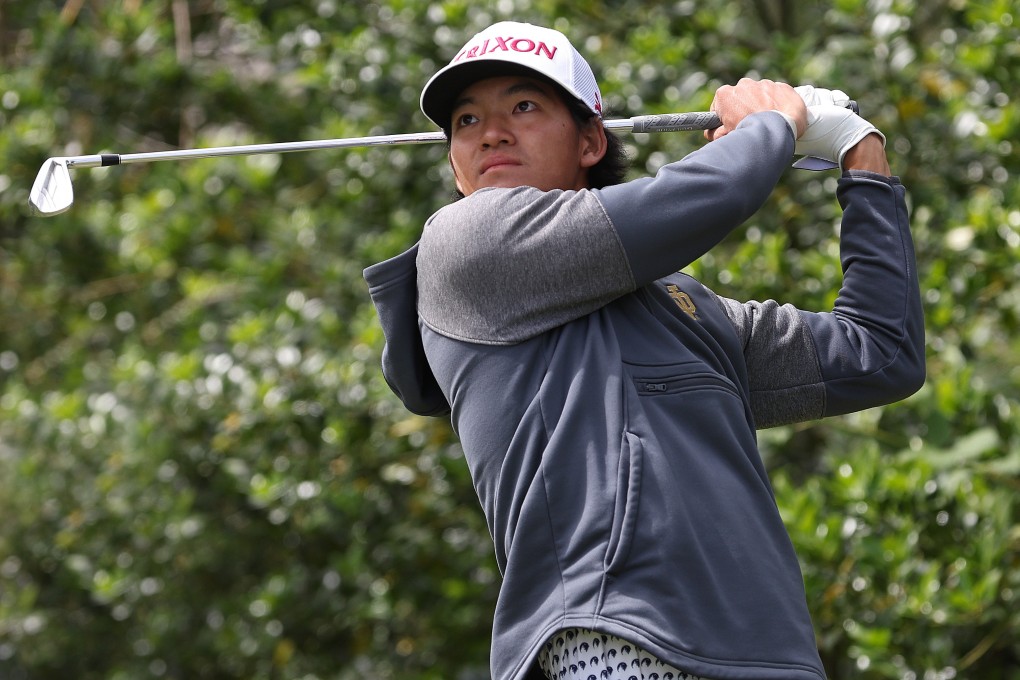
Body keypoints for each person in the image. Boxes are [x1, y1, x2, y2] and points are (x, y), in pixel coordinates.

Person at [364, 21, 924, 680]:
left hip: (767, 659)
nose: (491, 133)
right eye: (466, 120)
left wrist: (861, 153)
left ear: (591, 140)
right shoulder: (465, 242)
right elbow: (709, 193)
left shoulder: (692, 311)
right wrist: (770, 124)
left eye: (524, 106)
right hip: (611, 640)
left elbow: (880, 353)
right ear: (455, 167)